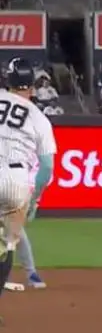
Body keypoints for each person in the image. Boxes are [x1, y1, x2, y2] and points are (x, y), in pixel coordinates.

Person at [0, 58, 54, 300]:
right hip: (16, 180)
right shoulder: (39, 117)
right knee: (7, 243)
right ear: (32, 86)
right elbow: (47, 167)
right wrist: (35, 201)